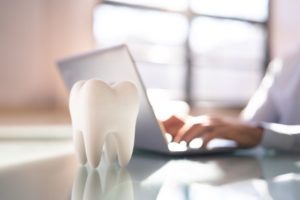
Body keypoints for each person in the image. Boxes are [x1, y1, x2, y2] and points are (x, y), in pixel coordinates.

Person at [162, 49, 300, 152]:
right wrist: (206, 127)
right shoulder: (285, 65)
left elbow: (256, 133)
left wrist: (258, 134)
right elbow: (250, 125)